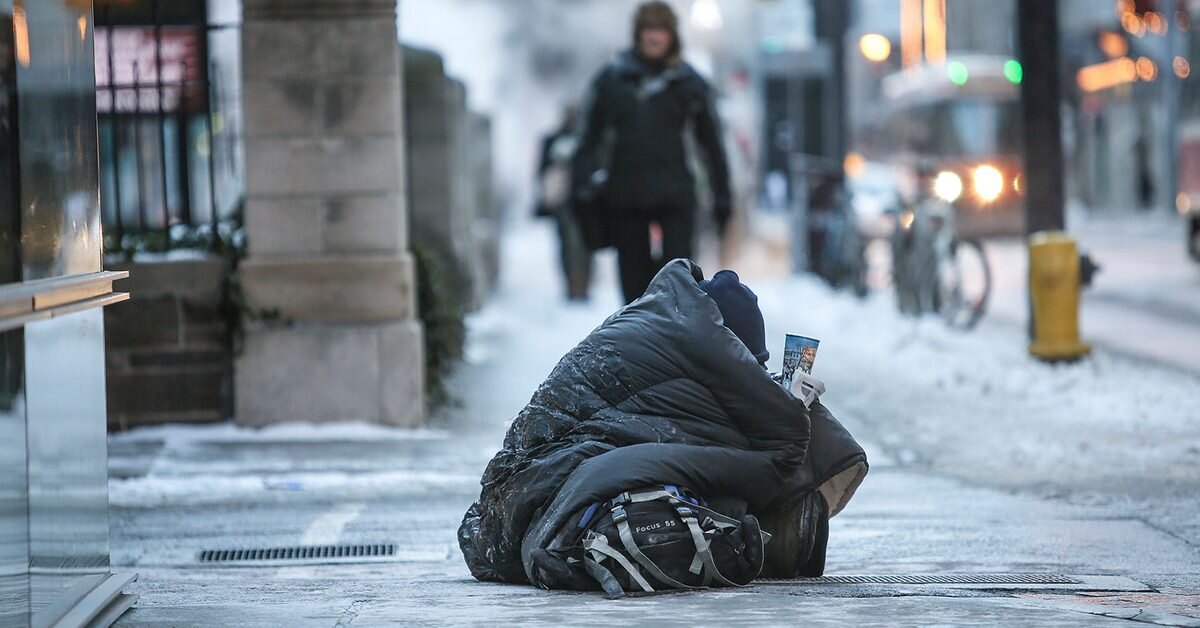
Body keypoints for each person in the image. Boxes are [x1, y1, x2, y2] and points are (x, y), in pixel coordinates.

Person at [458, 259, 868, 591]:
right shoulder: (697, 341)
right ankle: (785, 537)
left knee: (719, 474)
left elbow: (672, 424)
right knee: (731, 491)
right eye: (751, 364)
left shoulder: (662, 318)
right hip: (539, 492)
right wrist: (793, 405)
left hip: (510, 499)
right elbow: (780, 450)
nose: (754, 374)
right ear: (732, 350)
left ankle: (783, 534)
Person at [572, 1, 732, 304]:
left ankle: (675, 347)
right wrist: (582, 187)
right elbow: (588, 138)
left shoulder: (688, 83)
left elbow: (711, 146)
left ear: (672, 35)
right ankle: (639, 348)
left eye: (661, 30)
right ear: (638, 33)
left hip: (675, 197)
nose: (655, 37)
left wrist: (722, 196)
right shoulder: (613, 79)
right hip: (627, 196)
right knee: (634, 294)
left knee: (679, 287)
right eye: (648, 29)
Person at [534, 107, 592, 301]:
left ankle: (583, 285)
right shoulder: (552, 140)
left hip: (584, 200)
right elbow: (541, 171)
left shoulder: (588, 138)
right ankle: (571, 285)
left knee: (585, 244)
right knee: (566, 244)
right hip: (562, 201)